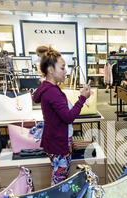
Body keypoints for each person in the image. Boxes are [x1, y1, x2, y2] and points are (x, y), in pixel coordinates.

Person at [33, 47, 91, 185]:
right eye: (62, 68)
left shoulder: (47, 88)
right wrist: (82, 98)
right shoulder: (52, 91)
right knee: (59, 180)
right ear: (50, 70)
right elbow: (68, 117)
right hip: (58, 142)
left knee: (58, 175)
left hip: (54, 139)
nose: (66, 71)